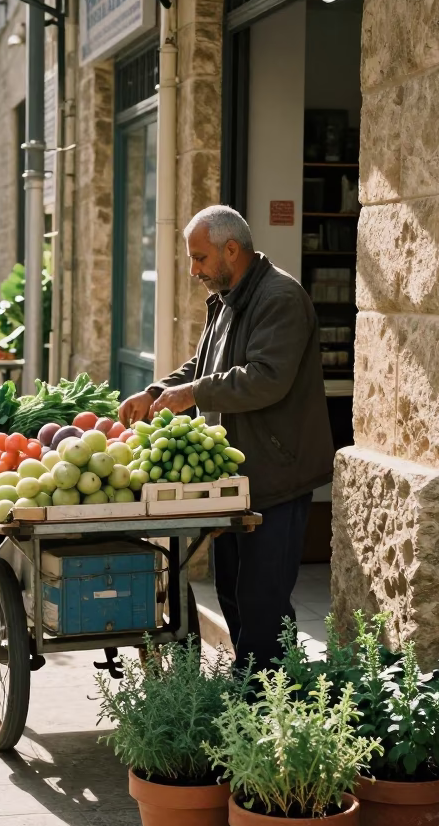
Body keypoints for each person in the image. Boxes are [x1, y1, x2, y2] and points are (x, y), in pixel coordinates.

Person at [119, 205, 334, 671]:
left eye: (199, 259)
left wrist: (190, 393)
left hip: (277, 475)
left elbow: (266, 378)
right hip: (237, 477)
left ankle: (273, 697)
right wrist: (158, 390)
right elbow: (204, 370)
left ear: (231, 250)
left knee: (263, 600)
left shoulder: (280, 297)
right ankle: (250, 688)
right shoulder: (227, 297)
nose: (194, 270)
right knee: (234, 590)